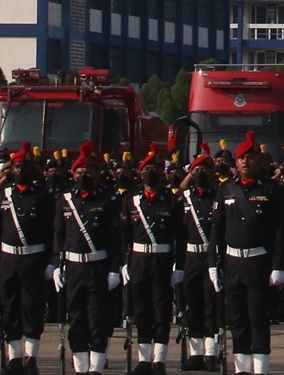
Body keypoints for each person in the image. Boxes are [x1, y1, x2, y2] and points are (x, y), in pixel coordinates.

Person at [212, 132, 284, 375]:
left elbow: (279, 230)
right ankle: (242, 369)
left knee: (258, 317)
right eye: (241, 158)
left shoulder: (272, 190)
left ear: (260, 161)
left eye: (250, 158)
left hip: (258, 262)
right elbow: (217, 229)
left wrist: (278, 265)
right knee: (237, 320)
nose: (246, 162)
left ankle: (260, 370)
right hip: (233, 262)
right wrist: (213, 263)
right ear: (235, 163)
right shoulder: (226, 190)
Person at [55, 141, 124, 375]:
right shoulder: (65, 200)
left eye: (89, 172)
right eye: (80, 172)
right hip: (73, 267)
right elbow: (58, 234)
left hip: (98, 266)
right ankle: (80, 366)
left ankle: (95, 367)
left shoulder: (108, 200)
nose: (84, 176)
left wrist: (114, 268)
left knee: (97, 318)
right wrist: (57, 265)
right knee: (75, 318)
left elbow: (115, 238)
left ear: (97, 174)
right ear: (73, 174)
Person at [0, 142, 55, 375]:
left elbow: (51, 230)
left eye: (24, 167)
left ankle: (31, 358)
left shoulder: (43, 196)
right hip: (8, 258)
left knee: (32, 308)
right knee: (9, 307)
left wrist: (50, 261)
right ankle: (15, 358)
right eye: (17, 167)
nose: (20, 170)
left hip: (33, 258)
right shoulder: (3, 195)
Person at [122, 146, 182, 375]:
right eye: (147, 169)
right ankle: (144, 359)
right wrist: (123, 263)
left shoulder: (172, 201)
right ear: (140, 173)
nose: (151, 173)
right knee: (141, 308)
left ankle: (159, 360)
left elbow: (180, 236)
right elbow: (124, 235)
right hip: (138, 259)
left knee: (161, 308)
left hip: (162, 259)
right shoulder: (131, 201)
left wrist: (179, 265)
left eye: (155, 169)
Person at [176, 148, 223, 372]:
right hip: (190, 257)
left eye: (205, 169)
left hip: (210, 256)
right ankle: (195, 353)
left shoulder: (219, 195)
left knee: (211, 305)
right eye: (197, 170)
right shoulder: (185, 197)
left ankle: (211, 354)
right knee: (192, 304)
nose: (201, 173)